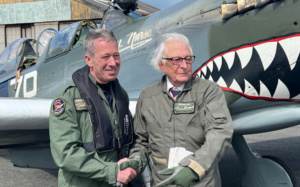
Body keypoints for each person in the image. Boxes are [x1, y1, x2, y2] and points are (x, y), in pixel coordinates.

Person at [122, 33, 233, 187]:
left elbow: (220, 133)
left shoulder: (209, 91)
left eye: (188, 59)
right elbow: (141, 140)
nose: (184, 65)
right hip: (163, 182)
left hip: (201, 182)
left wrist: (194, 168)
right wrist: (136, 159)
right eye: (176, 60)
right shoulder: (147, 96)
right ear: (162, 65)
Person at [49, 29, 137, 187]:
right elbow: (65, 154)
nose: (113, 63)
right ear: (89, 60)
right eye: (105, 57)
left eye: (116, 56)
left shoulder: (121, 94)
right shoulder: (67, 97)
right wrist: (112, 172)